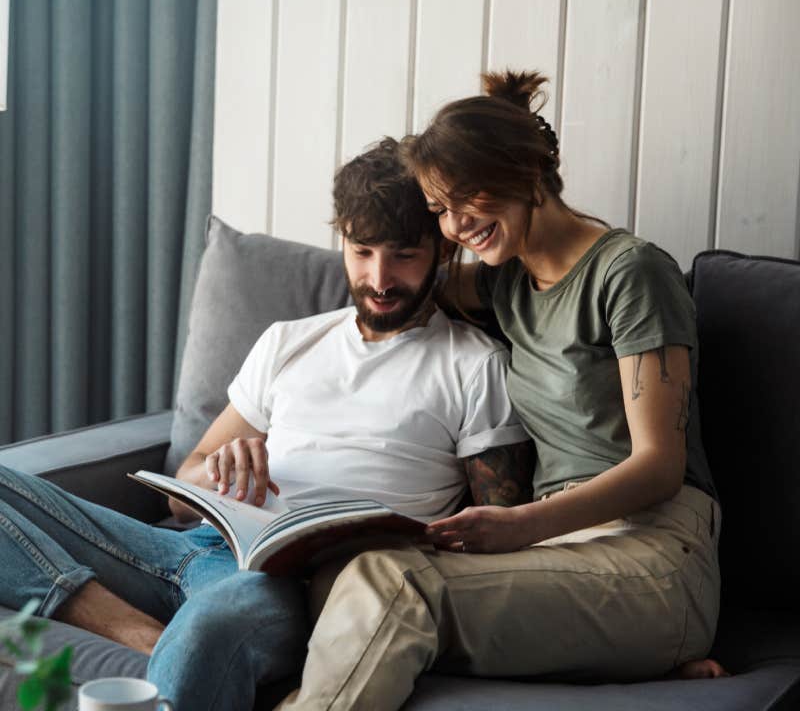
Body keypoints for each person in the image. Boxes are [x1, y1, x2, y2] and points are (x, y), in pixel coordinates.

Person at [0, 137, 531, 711]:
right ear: (343, 242)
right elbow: (184, 490)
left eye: (404, 255)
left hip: (296, 587)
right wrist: (220, 472)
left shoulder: (474, 365)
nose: (380, 278)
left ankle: (169, 640)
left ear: (440, 253)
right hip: (195, 545)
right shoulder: (289, 341)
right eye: (362, 251)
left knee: (211, 627)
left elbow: (495, 534)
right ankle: (139, 633)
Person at [277, 72, 725, 711]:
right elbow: (399, 289)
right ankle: (627, 670)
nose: (456, 225)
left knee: (391, 584)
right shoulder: (505, 285)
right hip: (566, 555)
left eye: (468, 199)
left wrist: (519, 525)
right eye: (440, 210)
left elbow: (659, 466)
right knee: (335, 582)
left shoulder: (630, 273)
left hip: (653, 547)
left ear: (527, 172)